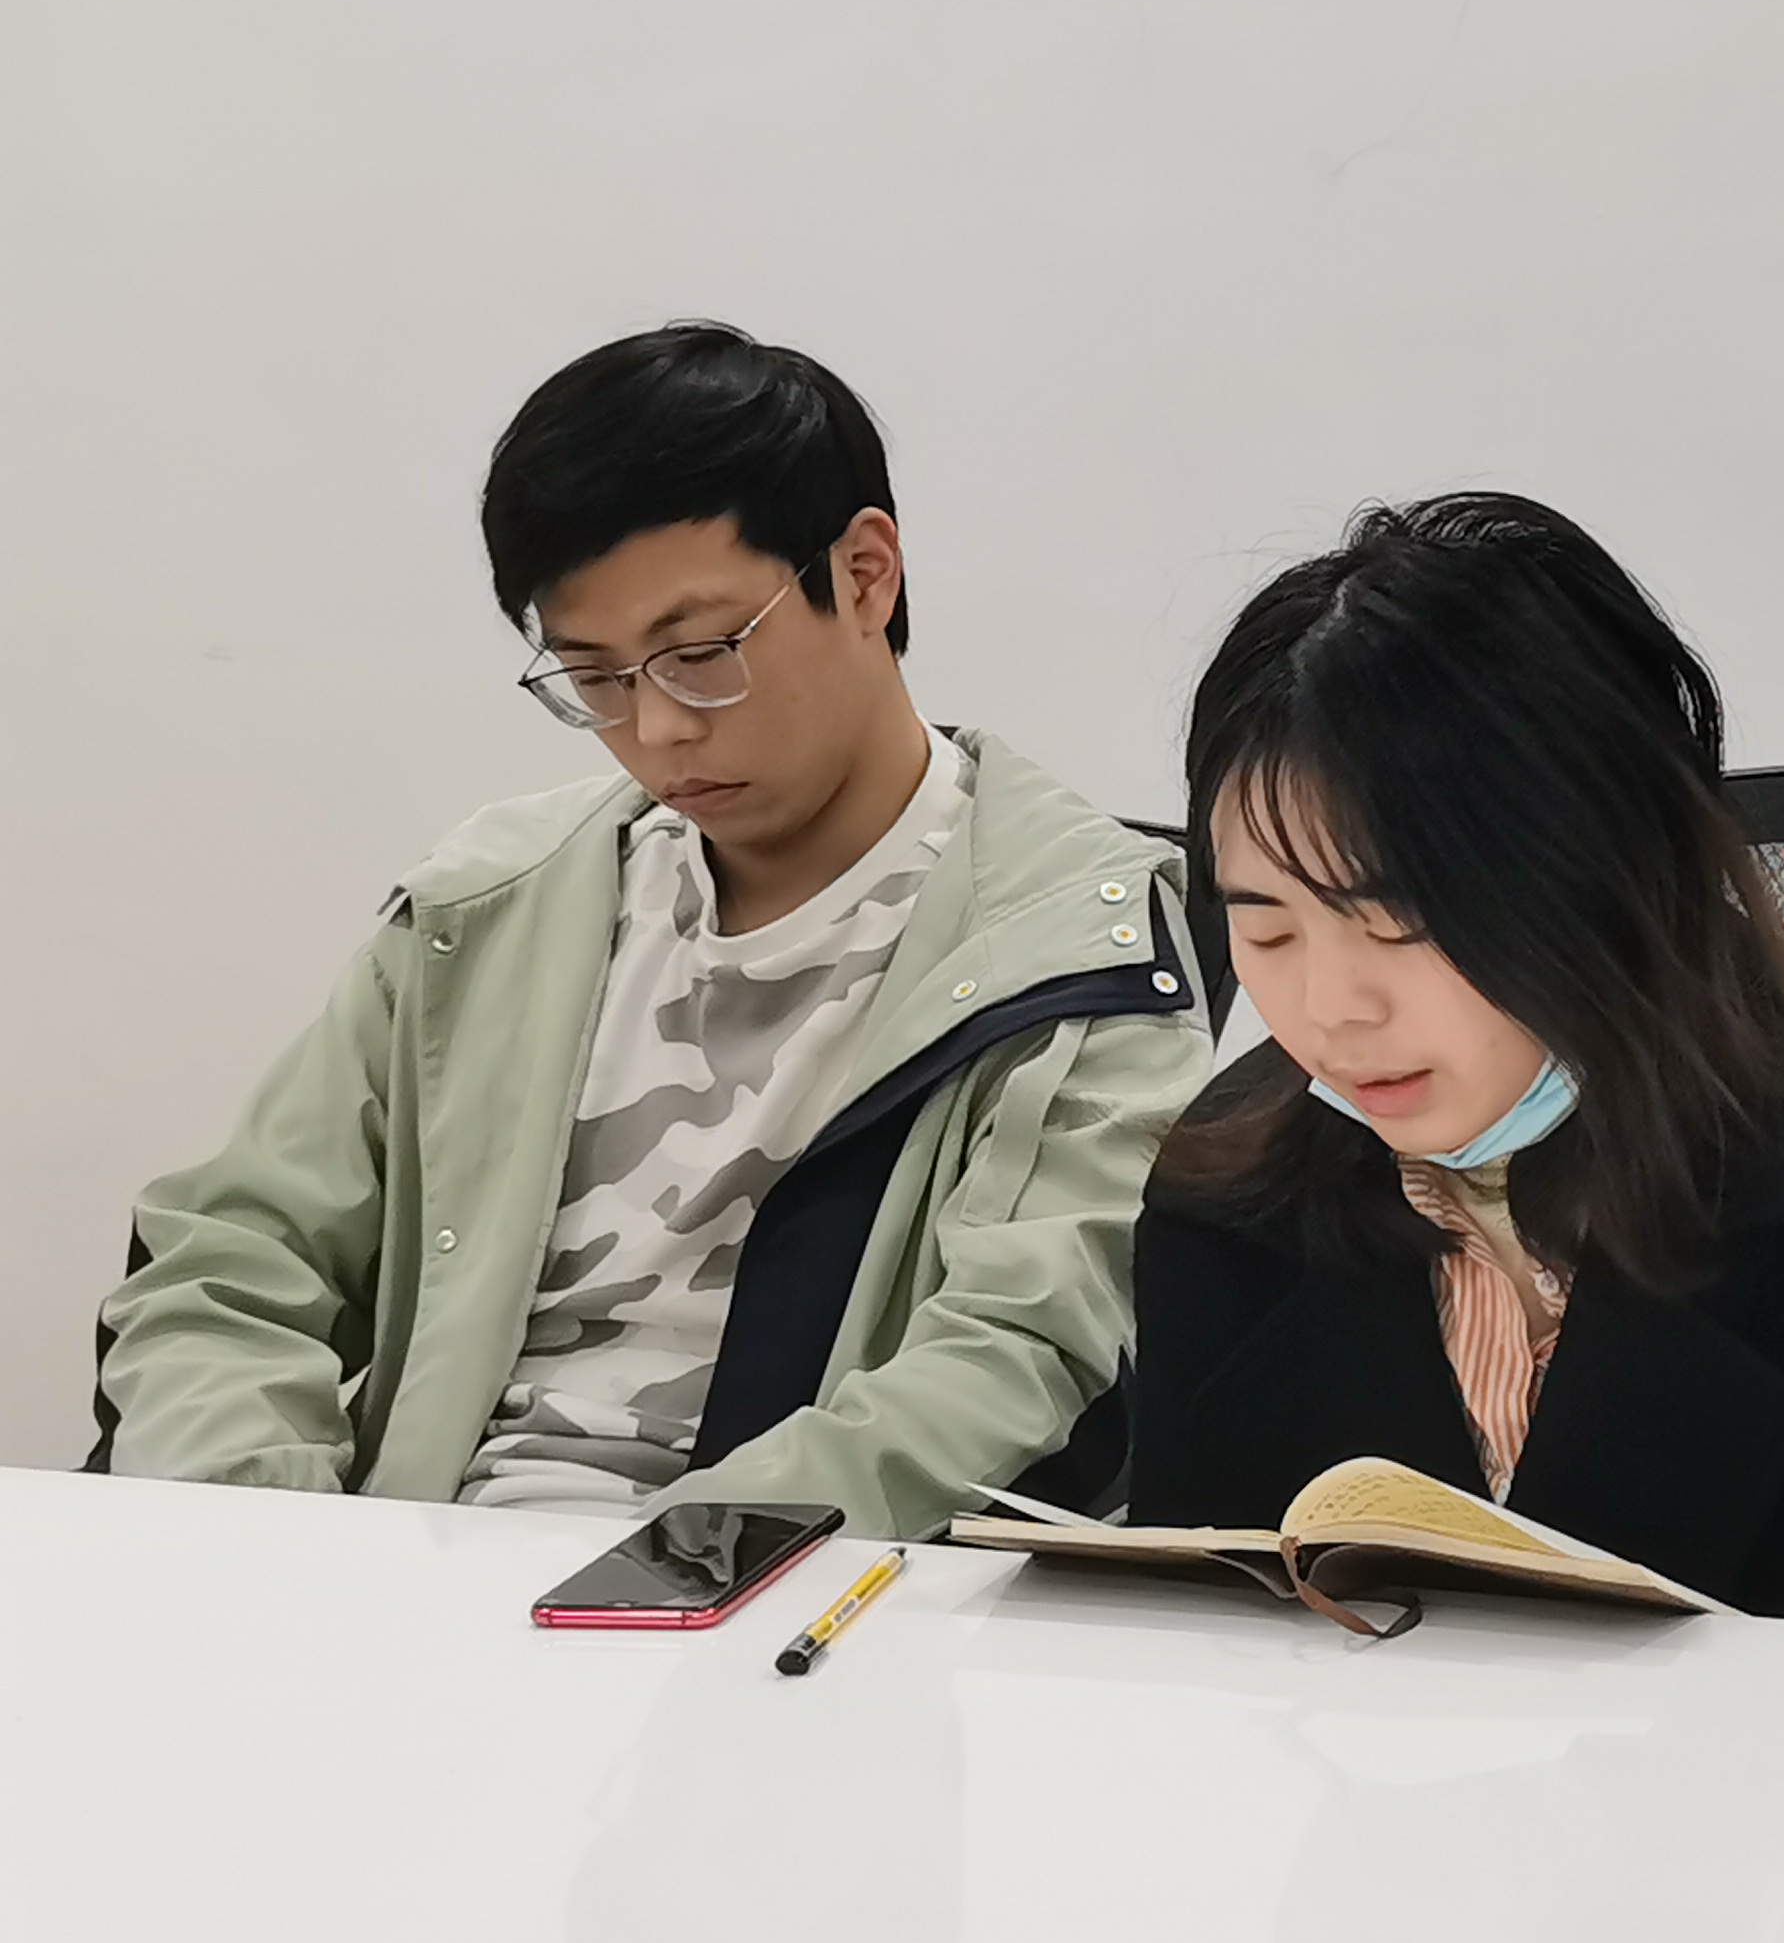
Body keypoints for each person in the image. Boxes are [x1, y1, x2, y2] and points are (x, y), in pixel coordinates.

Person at [98, 325, 1214, 1536]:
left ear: (866, 573)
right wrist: (268, 1537)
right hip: (404, 1576)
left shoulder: (1081, 942)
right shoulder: (488, 908)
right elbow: (228, 1263)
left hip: (782, 1593)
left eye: (700, 654)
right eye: (596, 678)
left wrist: (673, 1578)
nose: (658, 728)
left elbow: (1018, 1357)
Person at [1129, 493, 1784, 1635]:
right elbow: (1190, 1652)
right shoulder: (1227, 1189)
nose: (1329, 1011)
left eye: (1401, 923)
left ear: (1600, 874)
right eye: (1267, 933)